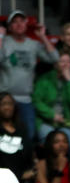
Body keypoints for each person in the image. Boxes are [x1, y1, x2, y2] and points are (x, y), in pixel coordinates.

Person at [0, 11, 57, 141]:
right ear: (9, 27)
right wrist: (0, 37)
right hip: (4, 99)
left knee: (29, 135)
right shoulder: (4, 41)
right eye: (15, 21)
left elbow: (54, 59)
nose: (19, 24)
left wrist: (42, 37)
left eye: (22, 21)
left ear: (26, 24)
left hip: (26, 99)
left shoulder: (33, 44)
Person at [32, 52, 70, 150]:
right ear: (55, 64)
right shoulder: (45, 79)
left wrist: (69, 81)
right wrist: (52, 115)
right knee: (50, 145)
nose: (66, 65)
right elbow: (36, 101)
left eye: (68, 62)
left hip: (65, 123)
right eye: (62, 61)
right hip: (45, 121)